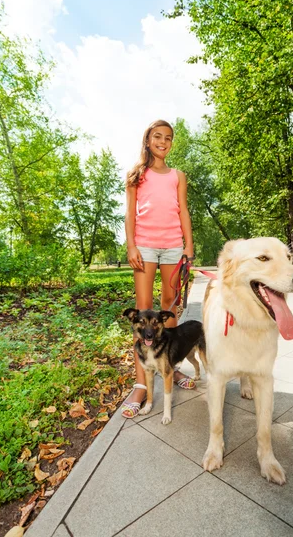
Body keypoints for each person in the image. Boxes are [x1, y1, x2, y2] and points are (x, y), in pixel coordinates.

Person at [121, 119, 195, 418]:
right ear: (148, 140)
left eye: (168, 137)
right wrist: (131, 246)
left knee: (170, 307)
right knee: (144, 309)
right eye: (157, 136)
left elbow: (183, 210)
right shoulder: (136, 174)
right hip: (146, 246)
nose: (163, 141)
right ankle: (141, 384)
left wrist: (188, 246)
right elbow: (129, 214)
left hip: (173, 246)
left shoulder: (178, 175)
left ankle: (171, 367)